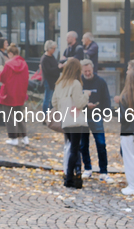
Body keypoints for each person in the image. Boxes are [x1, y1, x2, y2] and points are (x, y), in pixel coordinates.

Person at [52, 58, 90, 189]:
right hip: (76, 121)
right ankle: (69, 178)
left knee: (71, 148)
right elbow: (79, 103)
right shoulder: (76, 84)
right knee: (75, 149)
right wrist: (86, 95)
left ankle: (71, 176)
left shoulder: (59, 83)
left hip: (65, 121)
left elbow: (54, 104)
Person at [79, 59, 114, 184]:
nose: (87, 73)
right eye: (85, 71)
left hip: (96, 116)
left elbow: (106, 99)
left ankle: (103, 171)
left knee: (101, 144)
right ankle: (87, 168)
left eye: (89, 71)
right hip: (82, 117)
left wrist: (105, 113)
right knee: (83, 144)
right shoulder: (79, 82)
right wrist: (85, 106)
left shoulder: (100, 82)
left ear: (93, 69)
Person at [0, 44, 29, 146]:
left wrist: (0, 71)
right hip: (20, 93)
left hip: (9, 93)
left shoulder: (8, 64)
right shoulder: (24, 63)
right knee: (19, 115)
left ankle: (13, 138)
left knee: (9, 117)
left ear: (10, 53)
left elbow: (2, 79)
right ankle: (25, 137)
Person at [41, 40, 60, 114]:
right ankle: (45, 115)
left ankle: (51, 115)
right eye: (53, 48)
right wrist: (58, 67)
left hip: (54, 80)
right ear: (49, 48)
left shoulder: (52, 57)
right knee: (47, 99)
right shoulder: (45, 58)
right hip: (48, 81)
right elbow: (48, 70)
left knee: (52, 99)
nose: (54, 50)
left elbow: (55, 67)